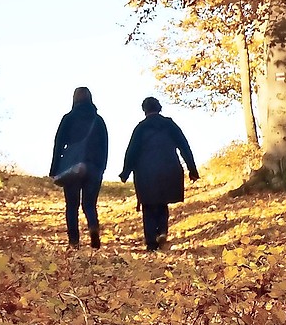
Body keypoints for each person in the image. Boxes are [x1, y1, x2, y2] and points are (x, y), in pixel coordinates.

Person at [119, 97, 198, 251]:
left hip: (145, 172)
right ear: (159, 108)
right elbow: (184, 146)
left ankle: (151, 242)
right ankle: (162, 231)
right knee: (162, 203)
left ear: (144, 110)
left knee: (148, 206)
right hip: (169, 169)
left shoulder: (141, 128)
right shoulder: (170, 125)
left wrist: (125, 172)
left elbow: (132, 152)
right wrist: (192, 170)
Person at [49, 87, 109, 248]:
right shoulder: (99, 120)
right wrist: (101, 167)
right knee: (89, 204)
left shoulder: (68, 119)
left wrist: (54, 169)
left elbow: (59, 144)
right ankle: (93, 228)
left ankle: (74, 241)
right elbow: (105, 146)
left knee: (72, 205)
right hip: (94, 167)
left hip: (72, 168)